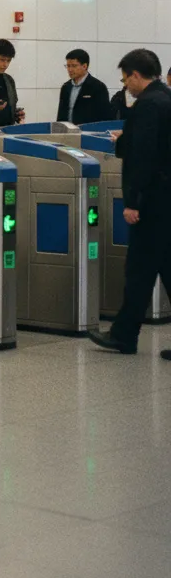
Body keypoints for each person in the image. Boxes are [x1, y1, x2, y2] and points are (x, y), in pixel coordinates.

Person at [87, 50, 171, 357]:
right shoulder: (166, 98)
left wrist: (133, 201)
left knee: (139, 270)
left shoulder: (148, 104)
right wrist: (127, 137)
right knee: (157, 267)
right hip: (166, 198)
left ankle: (124, 335)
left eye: (125, 80)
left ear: (136, 75)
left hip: (153, 202)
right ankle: (124, 333)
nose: (126, 87)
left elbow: (144, 157)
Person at [56, 49, 112, 125]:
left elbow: (105, 116)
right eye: (68, 66)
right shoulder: (66, 87)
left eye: (74, 66)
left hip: (88, 131)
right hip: (68, 131)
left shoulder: (98, 87)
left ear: (84, 66)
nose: (70, 70)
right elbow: (61, 115)